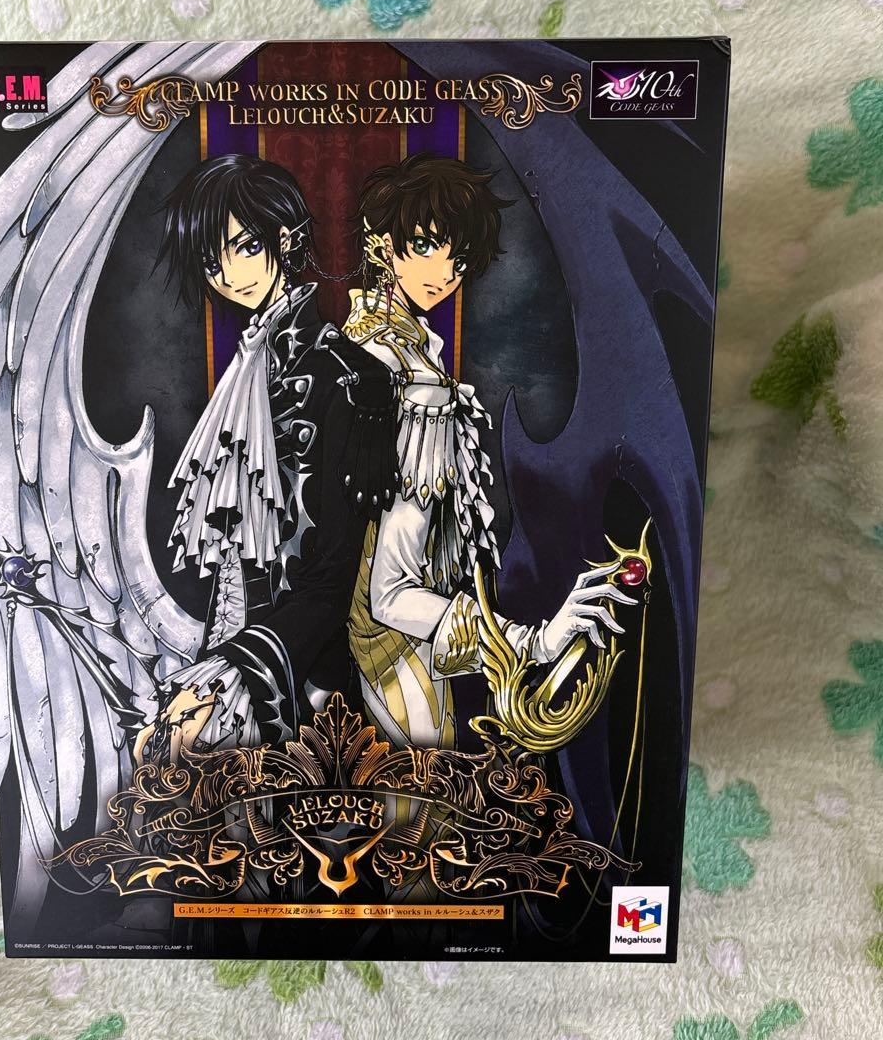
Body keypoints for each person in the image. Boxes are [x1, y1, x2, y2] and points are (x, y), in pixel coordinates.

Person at [345, 153, 636, 748]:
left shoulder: (382, 352)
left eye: (459, 259)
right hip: (389, 655)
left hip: (396, 649)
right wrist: (531, 642)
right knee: (422, 796)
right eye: (425, 244)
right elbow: (390, 595)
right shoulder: (408, 381)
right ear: (381, 243)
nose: (444, 272)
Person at [137, 154, 396, 763]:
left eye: (246, 247)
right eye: (212, 262)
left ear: (287, 237)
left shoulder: (351, 380)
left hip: (307, 675)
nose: (229, 274)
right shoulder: (247, 370)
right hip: (238, 647)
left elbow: (335, 580)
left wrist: (235, 669)